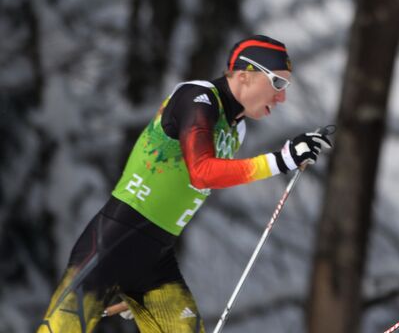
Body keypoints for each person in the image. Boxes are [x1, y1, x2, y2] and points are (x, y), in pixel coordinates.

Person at [37, 35, 331, 332]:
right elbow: (201, 172)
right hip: (115, 240)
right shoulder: (198, 98)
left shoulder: (236, 129)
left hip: (154, 259)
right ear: (244, 76)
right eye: (278, 84)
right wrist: (280, 161)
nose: (282, 98)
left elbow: (200, 183)